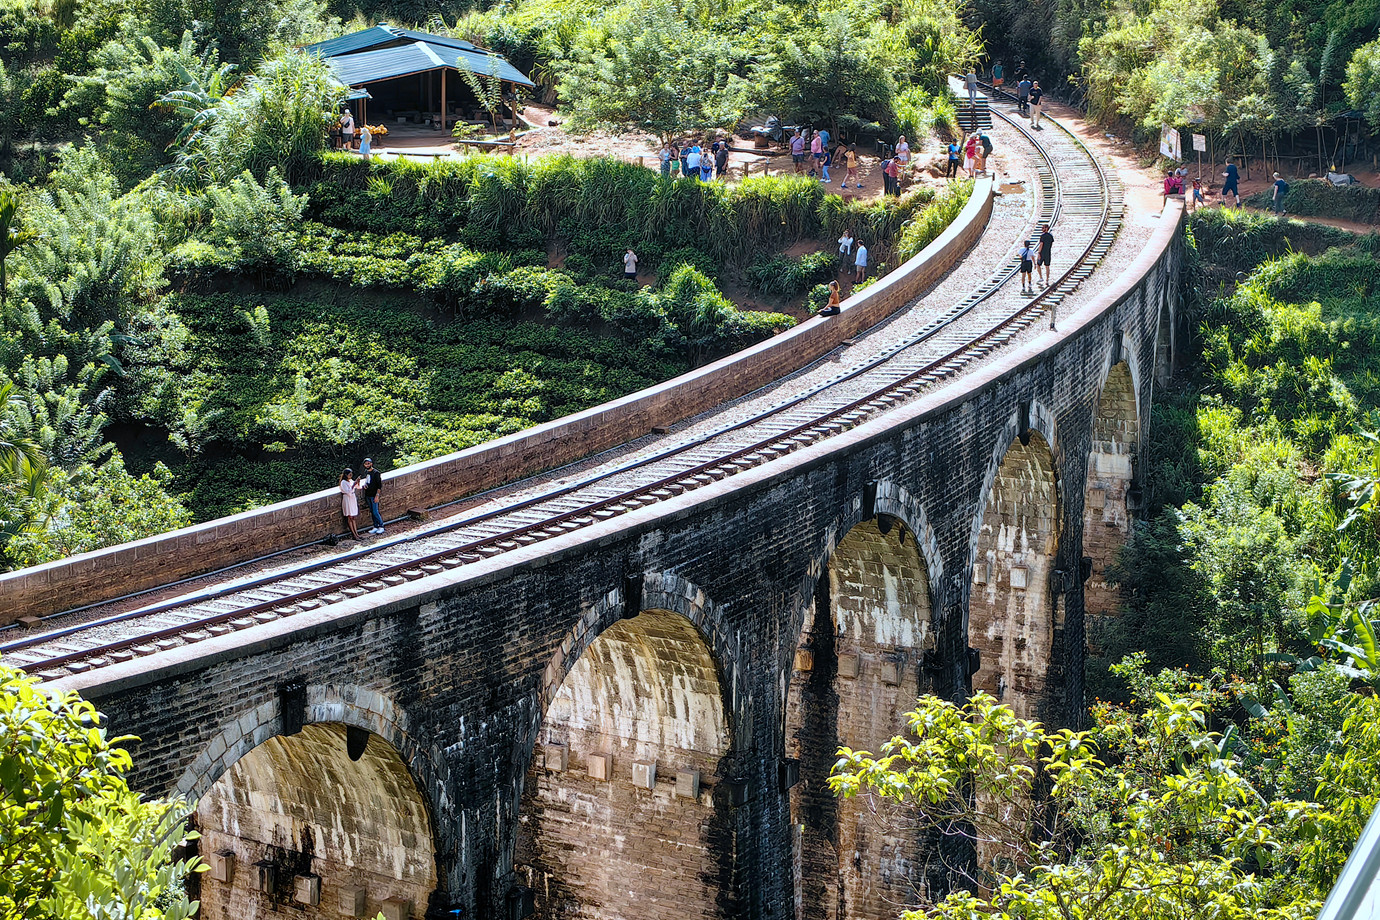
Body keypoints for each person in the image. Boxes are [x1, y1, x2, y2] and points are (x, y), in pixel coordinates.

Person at [359, 458, 384, 534]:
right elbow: (367, 481)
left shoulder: (376, 473)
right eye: (366, 464)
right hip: (368, 494)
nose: (367, 465)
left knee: (375, 511)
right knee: (372, 511)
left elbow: (379, 485)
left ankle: (381, 526)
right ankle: (375, 526)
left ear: (371, 464)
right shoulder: (366, 472)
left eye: (369, 463)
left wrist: (377, 495)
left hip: (374, 495)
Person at [339, 468, 361, 540]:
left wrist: (357, 482)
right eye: (349, 474)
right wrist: (353, 485)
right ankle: (353, 534)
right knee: (350, 517)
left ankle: (356, 533)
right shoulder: (343, 482)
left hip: (352, 499)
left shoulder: (350, 481)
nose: (351, 476)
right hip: (347, 499)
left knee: (353, 517)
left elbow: (357, 487)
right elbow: (347, 491)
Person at [1036, 222, 1054, 290]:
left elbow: (1041, 244)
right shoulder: (1050, 236)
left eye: (1043, 228)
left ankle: (1041, 277)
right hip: (1048, 253)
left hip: (1042, 253)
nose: (1042, 229)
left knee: (1038, 264)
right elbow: (1051, 243)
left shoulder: (1042, 236)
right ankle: (1047, 279)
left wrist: (1039, 253)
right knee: (1047, 266)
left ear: (1046, 228)